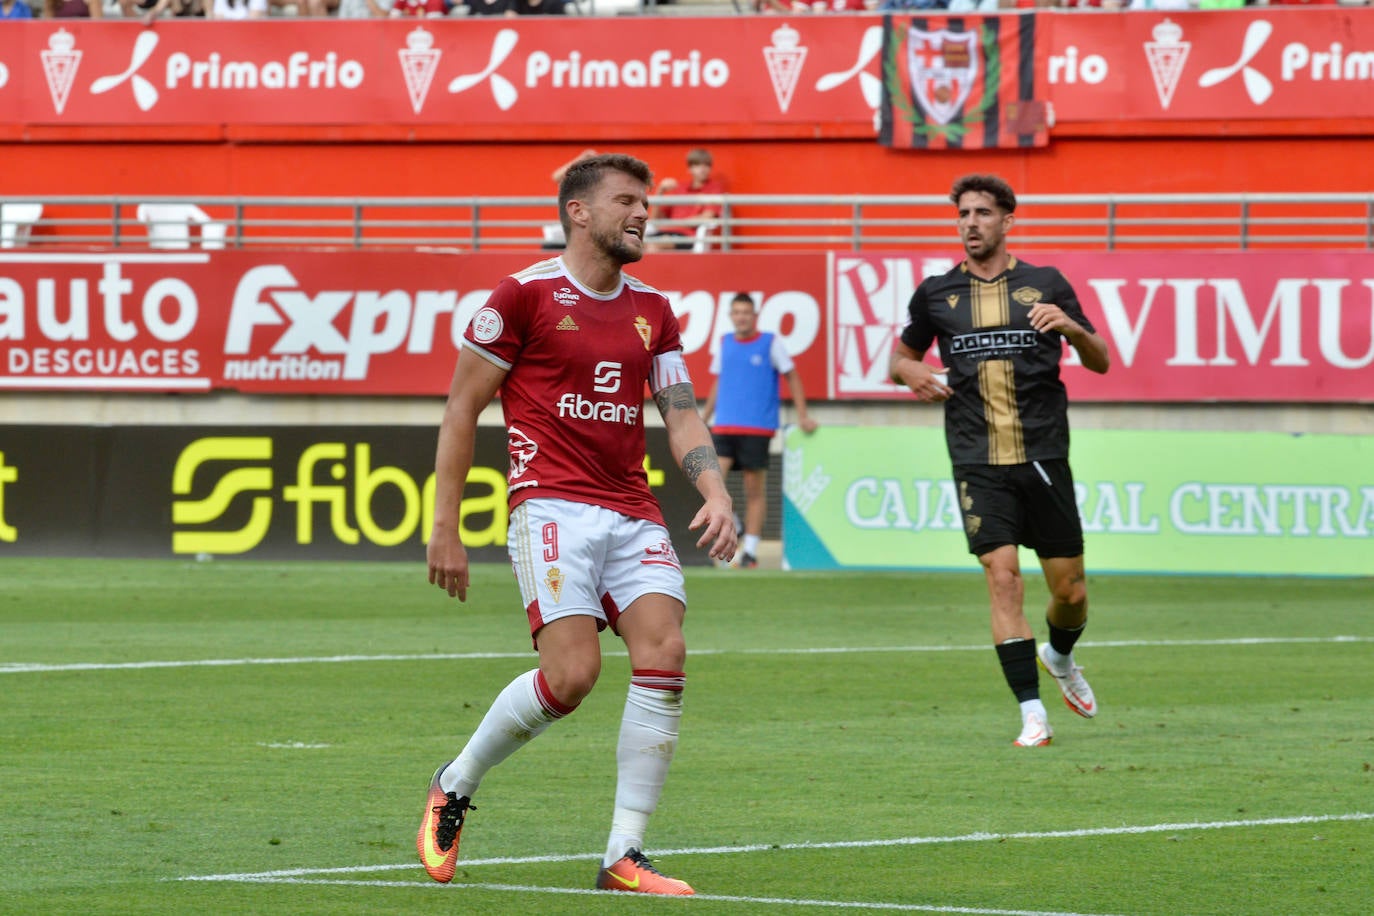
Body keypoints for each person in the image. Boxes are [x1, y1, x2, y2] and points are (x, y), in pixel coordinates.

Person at [420, 152, 736, 896]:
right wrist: (445, 526)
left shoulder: (653, 310)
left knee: (666, 652)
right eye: (627, 200)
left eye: (646, 203)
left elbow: (681, 411)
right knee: (573, 675)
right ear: (579, 212)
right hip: (550, 502)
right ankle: (456, 783)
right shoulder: (521, 297)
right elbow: (461, 406)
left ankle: (624, 852)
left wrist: (716, 492)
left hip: (632, 507)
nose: (642, 214)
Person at [888, 173, 1110, 748]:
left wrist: (1070, 329)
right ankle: (1032, 713)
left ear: (1007, 221)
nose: (971, 223)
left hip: (1042, 453)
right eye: (963, 214)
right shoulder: (937, 293)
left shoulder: (1045, 283)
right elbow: (902, 356)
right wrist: (910, 371)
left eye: (983, 213)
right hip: (976, 460)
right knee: (1003, 578)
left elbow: (1101, 358)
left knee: (1071, 591)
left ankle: (1059, 657)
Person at [701, 292, 818, 569]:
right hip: (724, 424)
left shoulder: (770, 343)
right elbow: (719, 381)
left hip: (756, 427)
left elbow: (792, 375)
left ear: (754, 316)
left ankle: (750, 549)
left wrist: (802, 415)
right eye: (737, 312)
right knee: (709, 483)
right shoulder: (724, 342)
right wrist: (703, 417)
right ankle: (737, 525)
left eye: (746, 312)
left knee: (754, 490)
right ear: (731, 316)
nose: (741, 317)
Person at [646, 148, 725, 251]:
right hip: (663, 233)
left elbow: (707, 217)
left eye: (706, 165)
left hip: (687, 236)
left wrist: (674, 223)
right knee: (636, 247)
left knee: (653, 246)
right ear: (690, 169)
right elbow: (655, 219)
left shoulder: (714, 188)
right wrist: (660, 191)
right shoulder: (680, 188)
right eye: (697, 165)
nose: (702, 169)